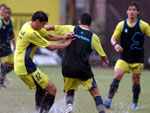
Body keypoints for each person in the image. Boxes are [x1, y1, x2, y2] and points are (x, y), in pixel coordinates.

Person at [45, 13, 109, 113]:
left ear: (79, 22)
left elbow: (51, 27)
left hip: (67, 67)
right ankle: (102, 112)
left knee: (70, 90)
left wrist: (38, 27)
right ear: (91, 24)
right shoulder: (93, 37)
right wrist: (105, 61)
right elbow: (102, 55)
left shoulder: (71, 28)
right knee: (95, 93)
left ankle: (69, 108)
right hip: (82, 69)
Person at [14, 11, 74, 113]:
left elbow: (49, 37)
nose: (44, 26)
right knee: (52, 89)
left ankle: (38, 110)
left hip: (24, 64)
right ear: (37, 21)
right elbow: (49, 46)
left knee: (42, 87)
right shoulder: (31, 33)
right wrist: (65, 45)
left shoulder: (29, 25)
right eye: (43, 24)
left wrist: (64, 37)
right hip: (25, 66)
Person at [104, 2, 150, 110]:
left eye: (134, 10)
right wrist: (115, 45)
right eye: (129, 9)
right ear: (126, 12)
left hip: (138, 58)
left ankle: (134, 104)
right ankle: (108, 100)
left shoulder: (143, 25)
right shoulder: (121, 25)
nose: (131, 12)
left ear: (137, 12)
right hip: (124, 57)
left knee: (136, 80)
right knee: (117, 75)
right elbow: (113, 38)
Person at [0, 7, 15, 88]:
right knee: (4, 64)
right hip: (1, 46)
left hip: (8, 46)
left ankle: (1, 77)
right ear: (3, 13)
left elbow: (12, 33)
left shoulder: (11, 21)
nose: (8, 14)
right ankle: (1, 82)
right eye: (6, 13)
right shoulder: (0, 22)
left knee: (13, 65)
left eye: (9, 13)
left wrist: (14, 43)